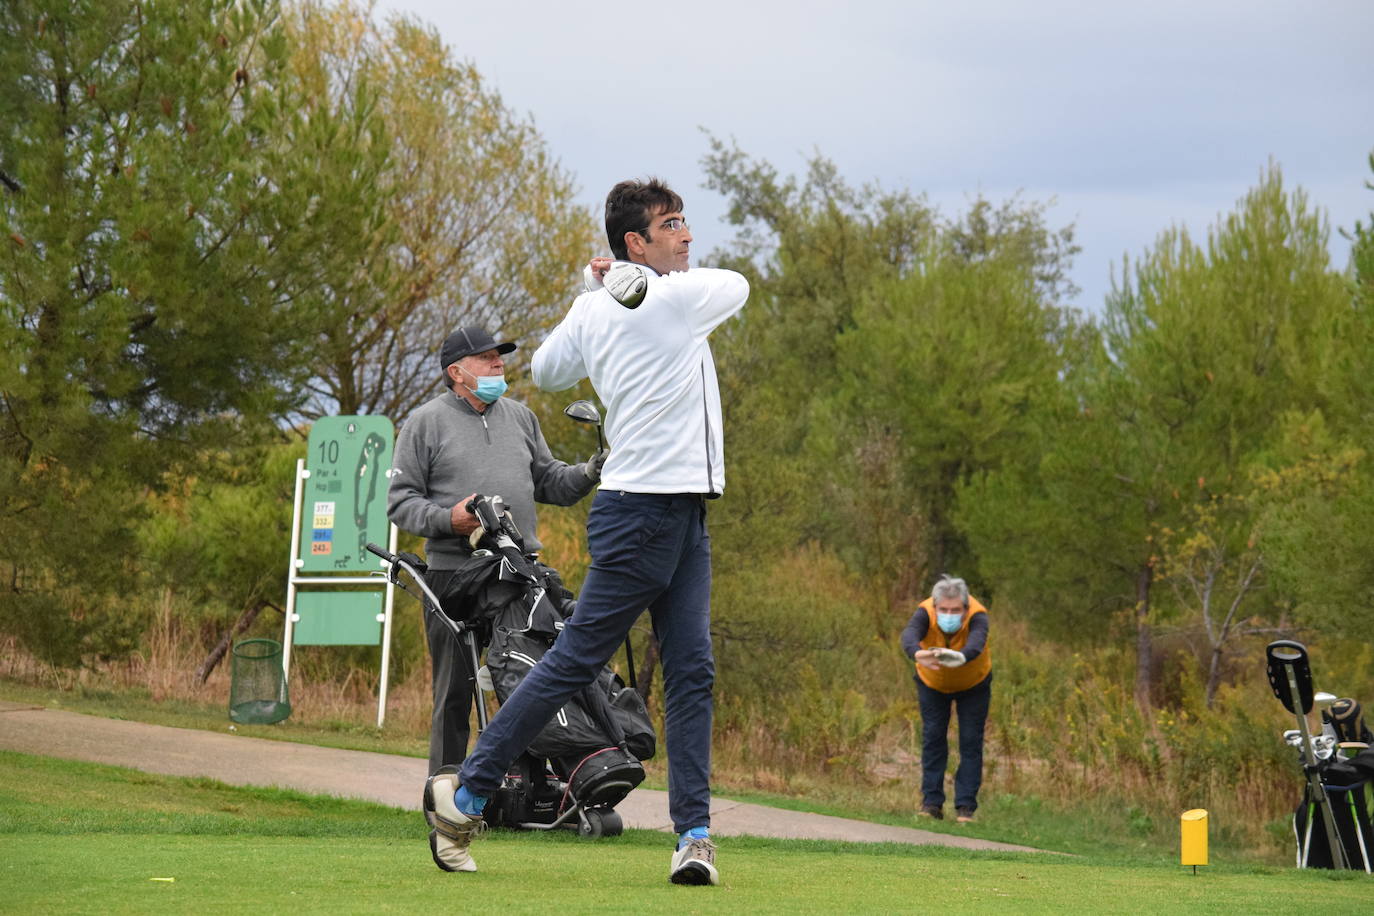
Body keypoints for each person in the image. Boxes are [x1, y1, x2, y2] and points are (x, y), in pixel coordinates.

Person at [425, 178, 749, 885]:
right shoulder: (675, 298)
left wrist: (604, 291)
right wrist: (617, 291)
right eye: (672, 225)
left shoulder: (625, 300)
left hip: (684, 513)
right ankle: (469, 794)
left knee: (692, 672)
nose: (688, 235)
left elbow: (550, 366)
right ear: (636, 242)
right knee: (573, 663)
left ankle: (693, 837)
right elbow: (738, 287)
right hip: (640, 511)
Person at [387, 326, 604, 863]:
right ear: (455, 371)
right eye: (485, 359)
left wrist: (591, 472)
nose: (498, 365)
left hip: (518, 573)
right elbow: (400, 503)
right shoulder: (425, 423)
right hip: (452, 575)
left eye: (500, 357)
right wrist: (450, 519)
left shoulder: (521, 417)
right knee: (455, 692)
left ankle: (526, 795)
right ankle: (444, 803)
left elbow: (550, 481)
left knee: (529, 680)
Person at [899, 575, 992, 824]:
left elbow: (977, 641)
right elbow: (909, 635)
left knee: (971, 742)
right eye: (944, 609)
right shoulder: (924, 611)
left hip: (973, 684)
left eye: (955, 610)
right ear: (935, 606)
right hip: (933, 684)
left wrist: (960, 657)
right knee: (933, 738)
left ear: (965, 607)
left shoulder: (978, 614)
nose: (949, 614)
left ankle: (965, 808)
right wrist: (917, 653)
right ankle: (931, 804)